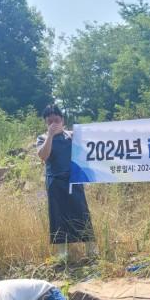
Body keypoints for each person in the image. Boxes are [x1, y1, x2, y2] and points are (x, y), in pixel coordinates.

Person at [36, 104, 96, 263]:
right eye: (50, 121)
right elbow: (43, 156)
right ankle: (63, 255)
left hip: (73, 180)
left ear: (62, 120)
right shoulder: (42, 138)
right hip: (54, 182)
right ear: (45, 123)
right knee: (58, 217)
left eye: (56, 120)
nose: (53, 124)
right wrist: (50, 136)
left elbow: (90, 147)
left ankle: (91, 251)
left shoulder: (72, 136)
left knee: (82, 213)